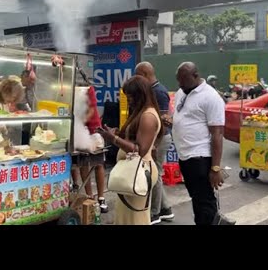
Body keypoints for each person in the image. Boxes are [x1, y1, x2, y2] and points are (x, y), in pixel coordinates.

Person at [172, 62, 234, 225]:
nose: (180, 84)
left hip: (200, 158)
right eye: (178, 80)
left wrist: (215, 168)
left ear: (195, 76)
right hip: (185, 156)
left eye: (183, 80)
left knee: (204, 203)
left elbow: (217, 134)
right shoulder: (182, 92)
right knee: (197, 200)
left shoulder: (211, 97)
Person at [97, 75, 163, 225]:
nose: (129, 101)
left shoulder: (147, 116)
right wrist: (117, 134)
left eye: (131, 97)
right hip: (132, 171)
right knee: (126, 216)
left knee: (135, 218)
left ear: (141, 95)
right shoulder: (140, 112)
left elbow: (140, 150)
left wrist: (113, 139)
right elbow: (133, 138)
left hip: (139, 171)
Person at [135, 61, 174, 224]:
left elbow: (164, 122)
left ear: (144, 74)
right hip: (155, 138)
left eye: (138, 75)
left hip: (159, 138)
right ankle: (166, 208)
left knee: (155, 174)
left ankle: (154, 213)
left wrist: (155, 144)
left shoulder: (158, 92)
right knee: (155, 172)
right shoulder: (151, 90)